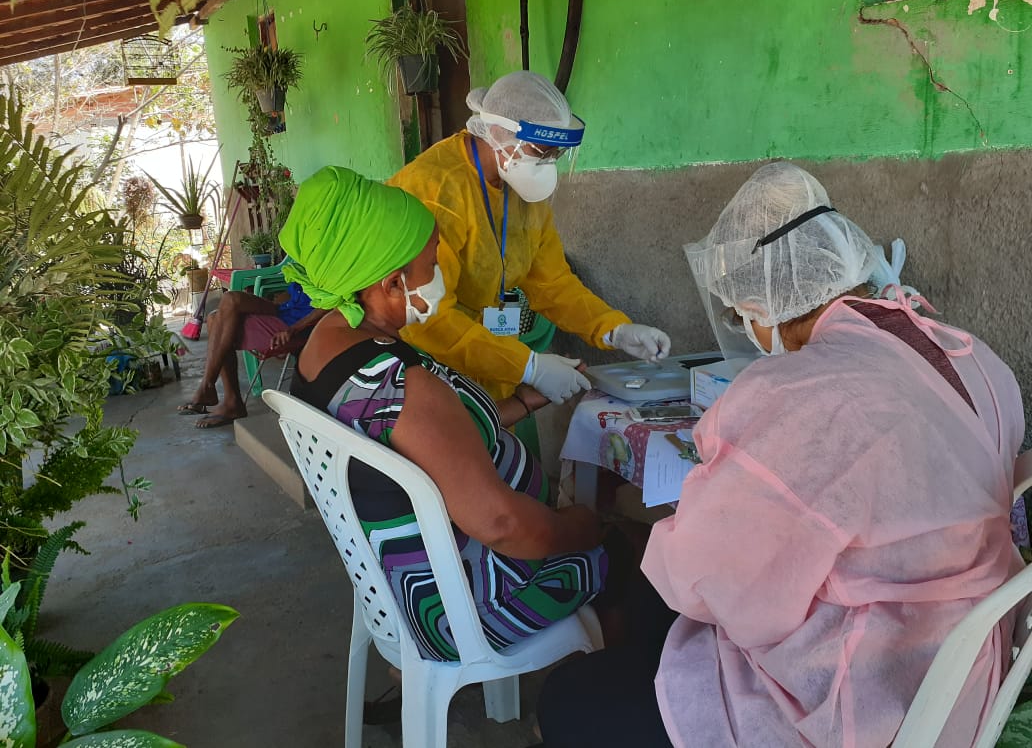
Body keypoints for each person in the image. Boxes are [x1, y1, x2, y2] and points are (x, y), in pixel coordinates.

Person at [536, 162, 1025, 748]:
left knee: (572, 699)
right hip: (971, 656)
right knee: (651, 618)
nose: (745, 324)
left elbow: (716, 584)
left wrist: (680, 525)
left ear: (765, 299)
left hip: (871, 690)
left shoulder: (799, 393)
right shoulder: (970, 356)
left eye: (742, 309)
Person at [278, 166, 614, 661]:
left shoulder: (328, 342)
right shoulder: (404, 384)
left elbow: (433, 446)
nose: (439, 273)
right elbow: (500, 523)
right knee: (629, 553)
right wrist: (581, 528)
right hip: (466, 604)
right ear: (392, 284)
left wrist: (523, 401)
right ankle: (592, 697)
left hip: (406, 583)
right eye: (432, 262)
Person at [387, 70, 670, 402]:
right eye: (542, 150)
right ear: (497, 132)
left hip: (489, 359)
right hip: (426, 372)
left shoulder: (521, 191)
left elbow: (552, 283)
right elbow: (426, 318)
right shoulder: (435, 190)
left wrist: (613, 329)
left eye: (556, 154)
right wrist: (529, 367)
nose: (548, 162)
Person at [176, 282, 327, 427]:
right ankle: (216, 393)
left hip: (298, 325)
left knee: (217, 320)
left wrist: (294, 330)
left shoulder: (340, 265)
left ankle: (218, 394)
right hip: (285, 310)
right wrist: (273, 304)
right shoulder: (312, 260)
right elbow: (294, 290)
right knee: (226, 306)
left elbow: (335, 303)